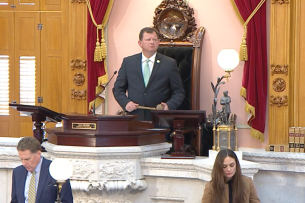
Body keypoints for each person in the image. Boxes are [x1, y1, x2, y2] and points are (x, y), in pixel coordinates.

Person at [113, 27, 185, 121]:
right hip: (135, 118)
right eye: (148, 40)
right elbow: (118, 88)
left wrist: (169, 106)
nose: (152, 42)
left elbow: (179, 91)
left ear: (159, 42)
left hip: (159, 118)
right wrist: (126, 103)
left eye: (154, 40)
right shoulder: (128, 62)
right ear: (140, 43)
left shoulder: (169, 64)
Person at [11, 137, 73, 203]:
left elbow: (67, 201)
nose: (23, 163)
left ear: (38, 154)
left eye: (27, 159)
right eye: (21, 159)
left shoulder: (56, 170)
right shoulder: (17, 172)